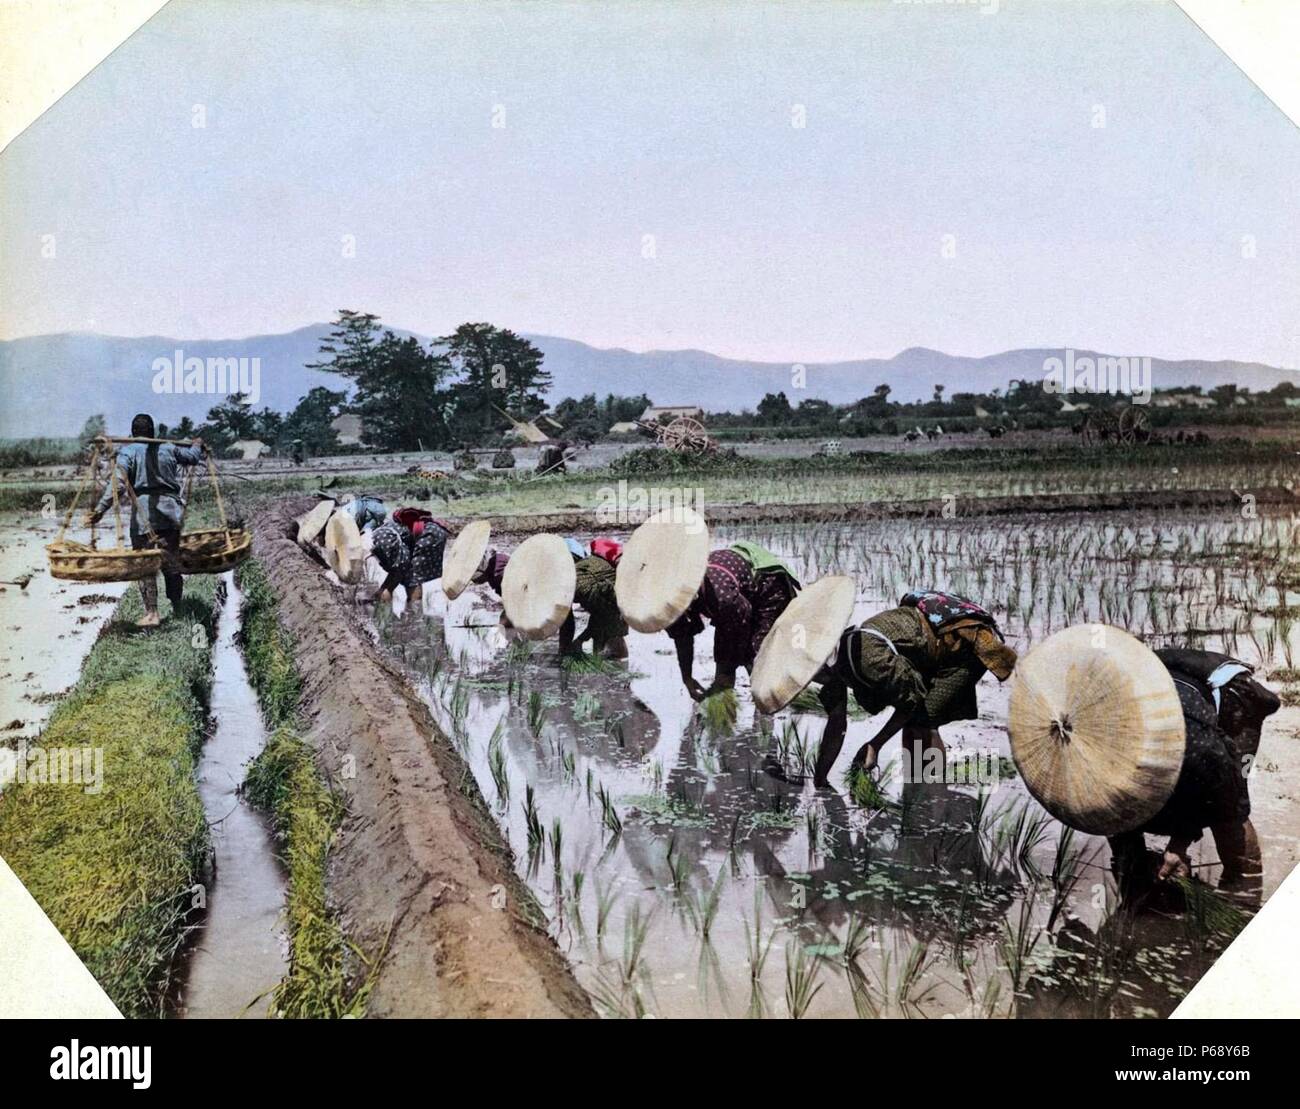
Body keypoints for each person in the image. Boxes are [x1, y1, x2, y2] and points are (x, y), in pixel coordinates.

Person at [1108, 648, 1280, 889]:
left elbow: (1217, 779)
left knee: (1232, 804)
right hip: (1172, 692)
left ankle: (1244, 886)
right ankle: (1141, 891)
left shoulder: (1189, 732)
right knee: (1113, 808)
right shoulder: (1098, 738)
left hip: (1234, 700)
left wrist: (1179, 843)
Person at [811, 590, 1016, 788]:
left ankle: (932, 794)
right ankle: (915, 786)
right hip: (928, 646)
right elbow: (836, 726)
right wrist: (821, 779)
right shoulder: (835, 668)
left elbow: (911, 701)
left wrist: (875, 744)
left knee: (924, 719)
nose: (815, 680)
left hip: (961, 643)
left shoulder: (867, 657)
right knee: (915, 722)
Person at [84, 414, 204, 628]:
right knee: (171, 562)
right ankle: (177, 607)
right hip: (169, 515)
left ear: (132, 433)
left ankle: (152, 613)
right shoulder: (168, 448)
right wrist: (197, 444)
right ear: (153, 433)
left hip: (143, 517)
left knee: (145, 565)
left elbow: (118, 485)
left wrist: (100, 510)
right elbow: (193, 457)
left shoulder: (128, 452)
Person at [667, 541, 800, 701]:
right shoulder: (670, 601)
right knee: (725, 658)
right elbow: (683, 637)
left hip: (768, 586)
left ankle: (766, 709)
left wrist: (727, 670)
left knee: (755, 655)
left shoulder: (723, 597)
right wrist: (687, 678)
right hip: (735, 598)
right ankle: (725, 705)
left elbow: (742, 625)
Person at [560, 537, 628, 659]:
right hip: (611, 598)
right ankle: (611, 665)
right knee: (610, 647)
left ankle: (610, 664)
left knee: (612, 646)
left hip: (609, 601)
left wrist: (577, 642)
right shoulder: (594, 561)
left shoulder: (573, 577)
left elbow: (598, 616)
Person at [368, 507, 452, 607]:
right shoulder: (375, 539)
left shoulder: (383, 542)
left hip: (429, 535)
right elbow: (396, 569)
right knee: (409, 576)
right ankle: (413, 607)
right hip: (426, 533)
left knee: (413, 577)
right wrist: (384, 588)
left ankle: (414, 611)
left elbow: (401, 566)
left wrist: (387, 589)